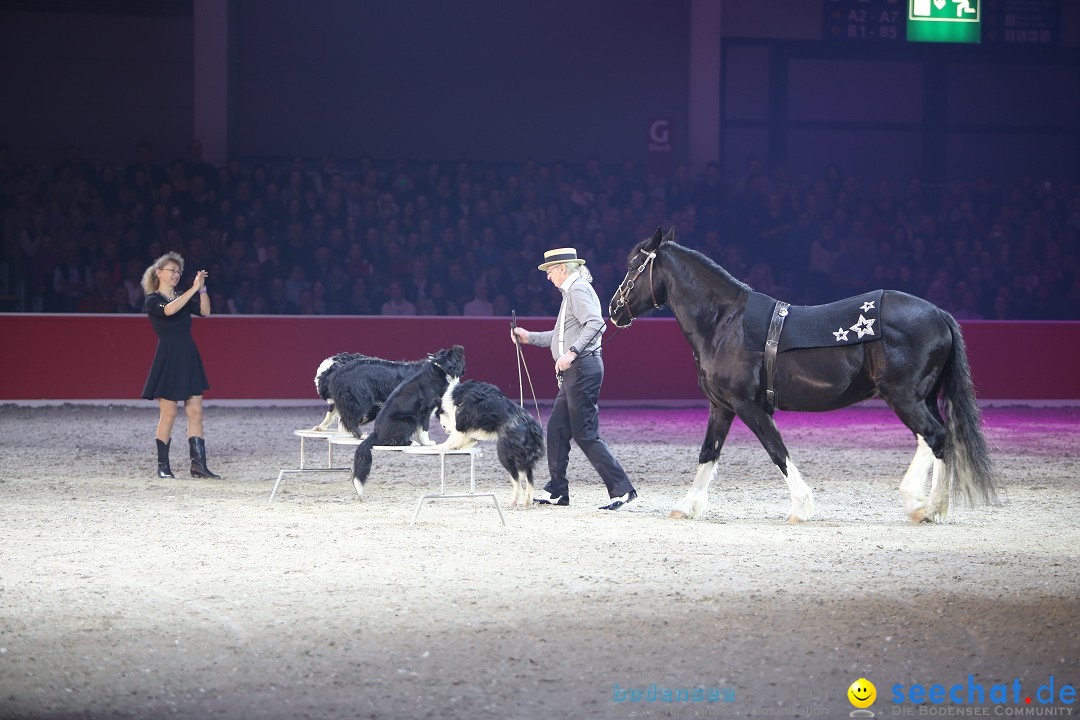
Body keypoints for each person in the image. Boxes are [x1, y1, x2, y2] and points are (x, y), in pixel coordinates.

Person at [511, 247, 636, 511]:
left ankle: (622, 489)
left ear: (563, 268)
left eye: (550, 271)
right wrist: (528, 337)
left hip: (582, 368)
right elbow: (558, 337)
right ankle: (557, 490)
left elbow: (596, 324)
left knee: (585, 433)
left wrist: (572, 352)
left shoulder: (578, 291)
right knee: (557, 429)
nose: (548, 277)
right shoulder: (571, 294)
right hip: (574, 370)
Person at [140, 252, 221, 480]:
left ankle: (198, 466)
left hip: (188, 356)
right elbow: (170, 310)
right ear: (158, 273)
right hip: (168, 358)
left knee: (196, 412)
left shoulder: (182, 297)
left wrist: (202, 289)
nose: (176, 274)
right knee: (169, 414)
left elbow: (205, 312)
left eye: (178, 271)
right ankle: (163, 466)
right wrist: (192, 290)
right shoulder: (153, 299)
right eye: (171, 271)